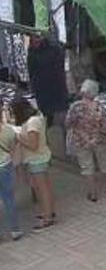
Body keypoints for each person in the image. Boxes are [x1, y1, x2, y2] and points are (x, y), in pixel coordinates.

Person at [65, 79, 106, 203]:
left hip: (82, 140)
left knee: (87, 167)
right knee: (105, 164)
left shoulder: (75, 107)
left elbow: (68, 123)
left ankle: (93, 193)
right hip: (100, 139)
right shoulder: (100, 107)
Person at [12, 99, 56, 231]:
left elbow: (33, 145)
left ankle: (48, 218)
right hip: (39, 158)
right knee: (42, 189)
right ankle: (48, 212)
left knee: (42, 190)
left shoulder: (32, 123)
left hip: (36, 159)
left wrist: (18, 136)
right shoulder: (37, 117)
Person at [0, 119, 21, 241]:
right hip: (5, 166)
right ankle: (15, 230)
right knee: (9, 199)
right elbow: (13, 148)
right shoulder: (8, 130)